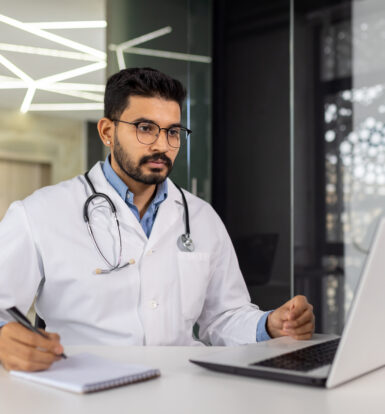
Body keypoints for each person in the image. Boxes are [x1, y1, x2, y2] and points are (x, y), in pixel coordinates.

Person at [0, 68, 314, 372]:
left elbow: (223, 317)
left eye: (173, 132)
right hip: (85, 390)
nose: (162, 145)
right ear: (108, 132)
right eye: (145, 128)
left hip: (182, 391)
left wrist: (270, 325)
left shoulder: (201, 217)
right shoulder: (39, 213)